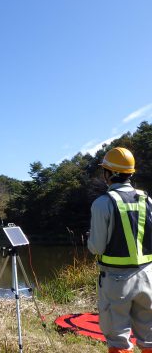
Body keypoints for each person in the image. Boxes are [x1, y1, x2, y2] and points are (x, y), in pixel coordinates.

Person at [88, 147, 152, 353]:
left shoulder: (102, 203)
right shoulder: (148, 201)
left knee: (118, 341)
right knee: (149, 337)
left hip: (116, 281)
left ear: (109, 174)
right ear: (130, 173)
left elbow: (96, 247)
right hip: (148, 276)